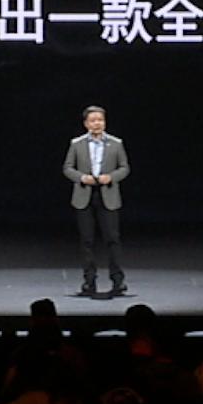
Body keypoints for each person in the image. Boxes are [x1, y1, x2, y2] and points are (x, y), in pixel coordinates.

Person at [62, 106, 131, 300]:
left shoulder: (116, 143)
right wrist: (82, 177)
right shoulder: (77, 144)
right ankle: (89, 280)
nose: (97, 123)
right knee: (87, 240)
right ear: (86, 123)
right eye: (93, 120)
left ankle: (118, 280)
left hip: (108, 195)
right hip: (84, 195)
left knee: (112, 239)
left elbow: (124, 167)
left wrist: (111, 177)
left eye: (100, 120)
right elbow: (67, 168)